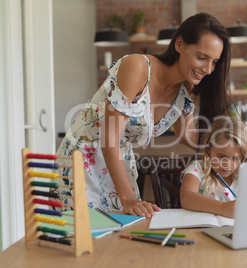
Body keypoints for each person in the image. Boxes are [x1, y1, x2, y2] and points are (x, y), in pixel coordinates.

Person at [55, 12, 232, 217]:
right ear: (180, 44)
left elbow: (188, 136)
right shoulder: (138, 67)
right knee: (86, 239)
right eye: (202, 57)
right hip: (83, 159)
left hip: (118, 165)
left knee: (119, 240)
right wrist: (128, 198)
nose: (208, 69)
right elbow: (109, 138)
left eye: (214, 62)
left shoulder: (184, 89)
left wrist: (240, 151)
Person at [180, 117, 247, 218]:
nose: (227, 165)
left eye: (236, 158)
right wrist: (223, 208)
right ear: (208, 150)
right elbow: (186, 197)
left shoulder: (246, 173)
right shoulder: (197, 168)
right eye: (221, 156)